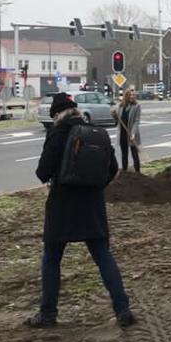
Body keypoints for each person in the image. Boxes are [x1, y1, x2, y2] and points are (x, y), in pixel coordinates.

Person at [25, 92, 135, 328]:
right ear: (75, 111)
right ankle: (123, 310)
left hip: (61, 206)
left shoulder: (56, 134)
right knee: (103, 257)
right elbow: (113, 167)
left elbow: (42, 172)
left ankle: (48, 314)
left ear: (57, 115)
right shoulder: (95, 133)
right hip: (92, 205)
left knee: (52, 259)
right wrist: (95, 186)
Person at [111, 88, 141, 173]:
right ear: (126, 96)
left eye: (133, 95)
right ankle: (124, 172)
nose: (132, 97)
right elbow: (117, 120)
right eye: (130, 95)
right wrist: (113, 113)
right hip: (123, 133)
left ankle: (138, 172)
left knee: (134, 154)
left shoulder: (137, 106)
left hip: (132, 133)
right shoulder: (121, 106)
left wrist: (133, 134)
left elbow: (137, 121)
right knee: (124, 154)